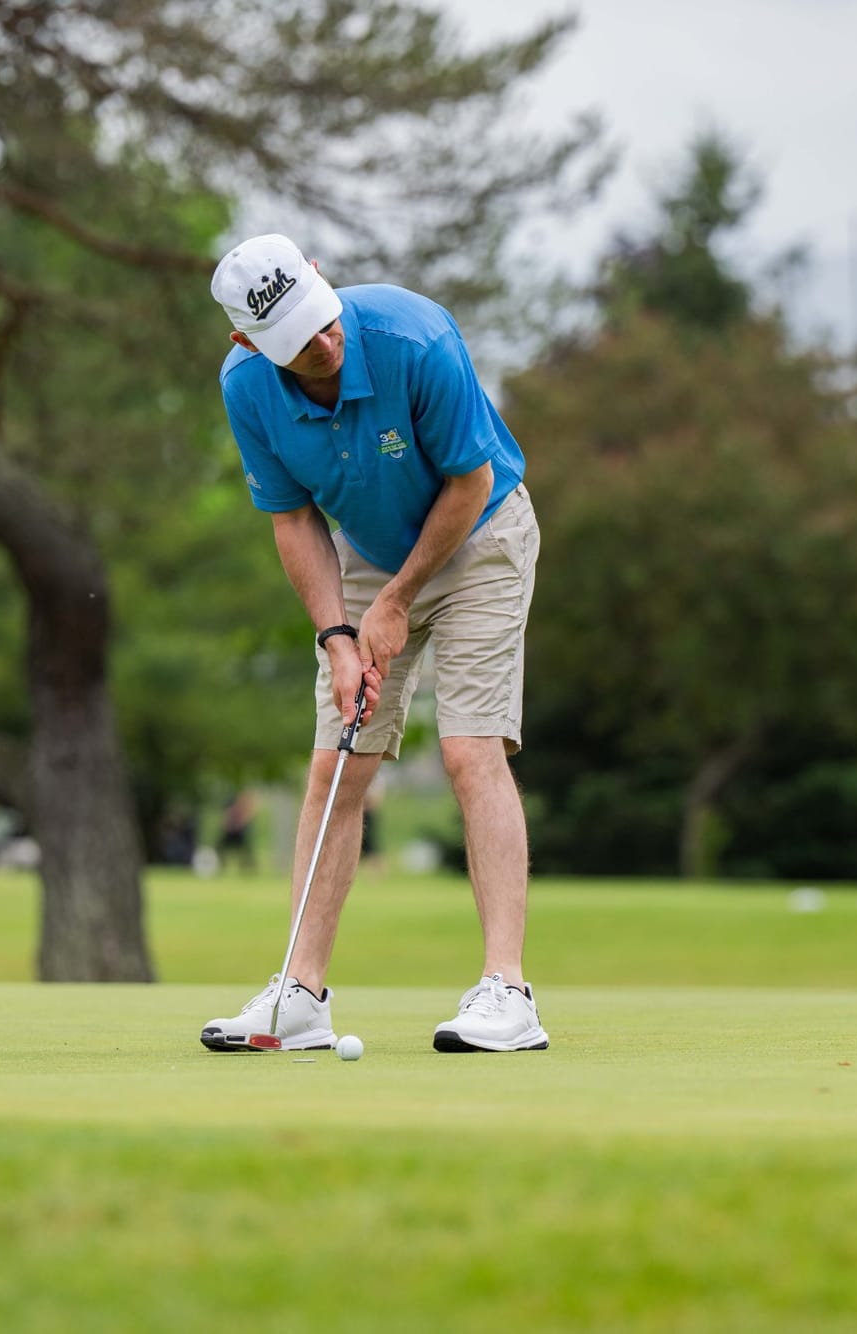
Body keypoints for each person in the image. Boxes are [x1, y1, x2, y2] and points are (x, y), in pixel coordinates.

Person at [198, 235, 546, 1053]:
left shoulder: (414, 338)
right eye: (295, 342)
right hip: (365, 551)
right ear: (247, 343)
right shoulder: (247, 389)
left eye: (321, 322)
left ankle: (508, 992)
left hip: (482, 537)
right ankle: (301, 996)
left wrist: (393, 604)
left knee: (469, 750)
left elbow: (471, 482)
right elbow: (292, 519)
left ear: (320, 278)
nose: (324, 345)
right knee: (336, 764)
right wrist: (336, 639)